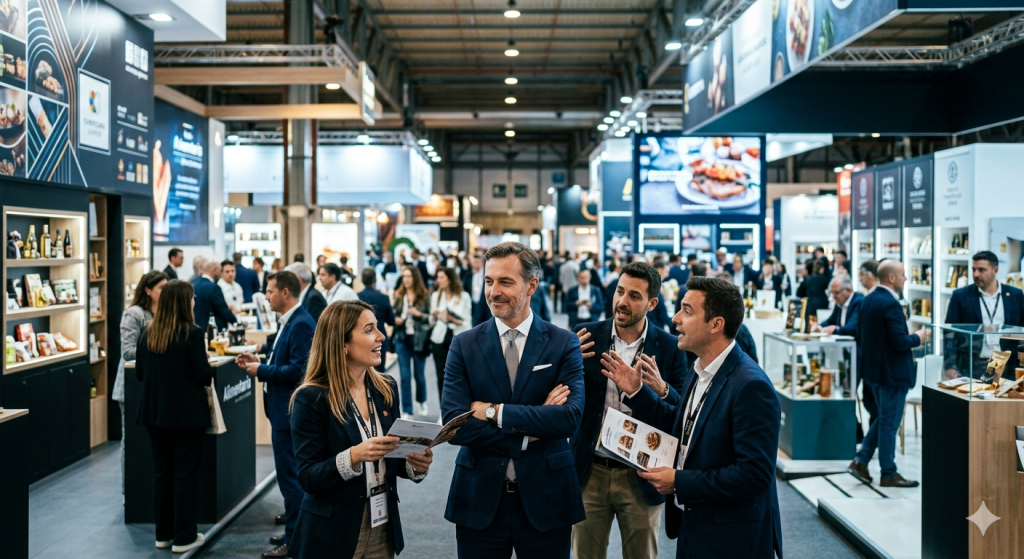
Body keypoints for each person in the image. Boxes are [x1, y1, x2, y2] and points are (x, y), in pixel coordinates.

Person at [605, 277, 783, 559]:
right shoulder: (699, 368)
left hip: (731, 538)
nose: (675, 319)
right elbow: (682, 426)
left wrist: (679, 481)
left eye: (687, 311)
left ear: (716, 325)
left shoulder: (751, 386)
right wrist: (638, 392)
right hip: (695, 525)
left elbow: (755, 475)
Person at [440, 242, 585, 559]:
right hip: (479, 497)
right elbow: (455, 426)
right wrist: (534, 426)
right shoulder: (463, 345)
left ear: (532, 284)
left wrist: (492, 411)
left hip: (548, 497)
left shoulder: (563, 343)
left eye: (505, 282)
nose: (493, 292)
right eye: (489, 281)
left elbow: (568, 419)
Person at [288, 301, 433, 559]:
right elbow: (308, 477)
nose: (381, 336)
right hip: (332, 532)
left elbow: (394, 459)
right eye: (369, 330)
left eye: (377, 327)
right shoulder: (311, 398)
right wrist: (354, 455)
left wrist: (415, 464)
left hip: (381, 525)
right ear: (342, 343)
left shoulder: (386, 389)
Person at [571, 262, 688, 559]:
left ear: (652, 303)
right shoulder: (584, 336)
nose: (622, 301)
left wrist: (660, 389)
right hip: (590, 470)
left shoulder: (671, 347)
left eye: (634, 296)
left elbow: (680, 412)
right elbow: (565, 392)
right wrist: (566, 358)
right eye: (619, 291)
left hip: (642, 474)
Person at [236, 271, 316, 558]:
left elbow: (298, 371)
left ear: (285, 292)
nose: (265, 297)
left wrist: (261, 370)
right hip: (280, 412)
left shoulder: (301, 323)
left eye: (269, 291)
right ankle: (293, 529)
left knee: (291, 477)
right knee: (287, 476)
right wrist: (262, 359)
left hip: (288, 412)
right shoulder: (292, 321)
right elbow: (283, 355)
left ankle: (294, 541)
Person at [134, 280, 213, 554]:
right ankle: (184, 536)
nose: (194, 302)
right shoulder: (192, 333)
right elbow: (202, 375)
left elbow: (140, 374)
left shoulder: (147, 334)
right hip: (187, 416)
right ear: (183, 302)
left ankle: (163, 534)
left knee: (163, 474)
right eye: (191, 298)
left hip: (155, 415)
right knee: (186, 475)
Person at [848, 260, 930, 489]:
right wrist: (919, 337)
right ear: (891, 278)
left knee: (883, 419)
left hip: (874, 372)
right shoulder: (890, 304)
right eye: (903, 274)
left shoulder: (868, 299)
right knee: (889, 424)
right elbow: (899, 341)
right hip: (892, 374)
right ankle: (888, 472)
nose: (906, 278)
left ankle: (861, 461)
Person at [113, 270, 168, 498]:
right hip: (132, 387)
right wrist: (162, 352)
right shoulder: (134, 314)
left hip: (157, 388)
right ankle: (130, 493)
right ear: (148, 290)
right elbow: (128, 352)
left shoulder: (165, 313)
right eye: (160, 289)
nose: (164, 293)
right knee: (132, 443)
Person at [944, 250, 1024, 377]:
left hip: (1007, 365)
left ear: (995, 270)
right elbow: (949, 333)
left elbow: (1021, 332)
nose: (976, 274)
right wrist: (950, 365)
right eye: (973, 269)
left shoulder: (1015, 295)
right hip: (972, 364)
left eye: (981, 270)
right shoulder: (960, 296)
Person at [392, 265, 431, 418]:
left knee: (419, 374)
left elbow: (430, 318)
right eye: (404, 276)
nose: (406, 279)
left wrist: (418, 314)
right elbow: (393, 314)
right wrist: (396, 319)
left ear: (415, 277)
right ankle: (407, 408)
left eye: (409, 276)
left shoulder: (424, 296)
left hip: (419, 339)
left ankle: (421, 401)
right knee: (405, 375)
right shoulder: (399, 295)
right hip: (402, 338)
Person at [429, 267, 472, 403]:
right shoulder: (436, 296)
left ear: (450, 279)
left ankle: (459, 406)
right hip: (439, 339)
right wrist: (435, 315)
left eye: (442, 277)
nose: (438, 280)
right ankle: (444, 408)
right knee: (441, 375)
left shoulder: (463, 296)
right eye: (438, 277)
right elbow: (431, 322)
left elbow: (467, 323)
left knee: (459, 375)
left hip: (457, 340)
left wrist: (451, 318)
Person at [357, 268, 396, 358]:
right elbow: (391, 320)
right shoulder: (383, 297)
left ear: (362, 280)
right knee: (379, 369)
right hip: (379, 337)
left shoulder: (357, 297)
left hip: (361, 339)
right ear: (375, 280)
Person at [192, 259, 237, 330]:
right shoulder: (213, 287)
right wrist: (236, 323)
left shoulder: (193, 284)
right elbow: (223, 310)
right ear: (213, 271)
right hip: (210, 328)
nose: (220, 274)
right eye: (219, 271)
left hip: (196, 326)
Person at [796, 260, 830, 324]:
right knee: (821, 320)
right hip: (822, 302)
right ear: (821, 269)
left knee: (810, 322)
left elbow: (799, 292)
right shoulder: (824, 279)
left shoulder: (808, 279)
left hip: (811, 302)